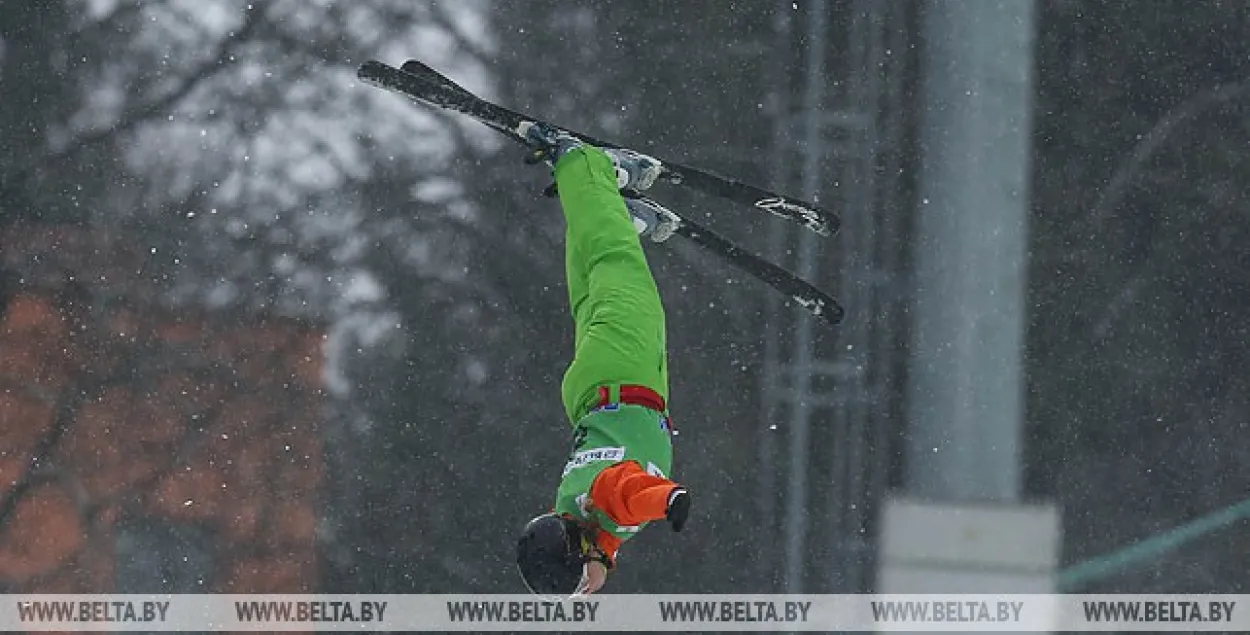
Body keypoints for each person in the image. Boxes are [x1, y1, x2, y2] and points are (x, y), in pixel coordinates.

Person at [514, 123, 692, 597]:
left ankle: (587, 166)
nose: (588, 591)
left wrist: (668, 501)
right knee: (595, 284)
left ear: (581, 552)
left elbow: (631, 494)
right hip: (593, 392)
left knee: (618, 267)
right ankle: (610, 211)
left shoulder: (606, 510)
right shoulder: (570, 507)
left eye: (579, 586)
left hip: (626, 373)